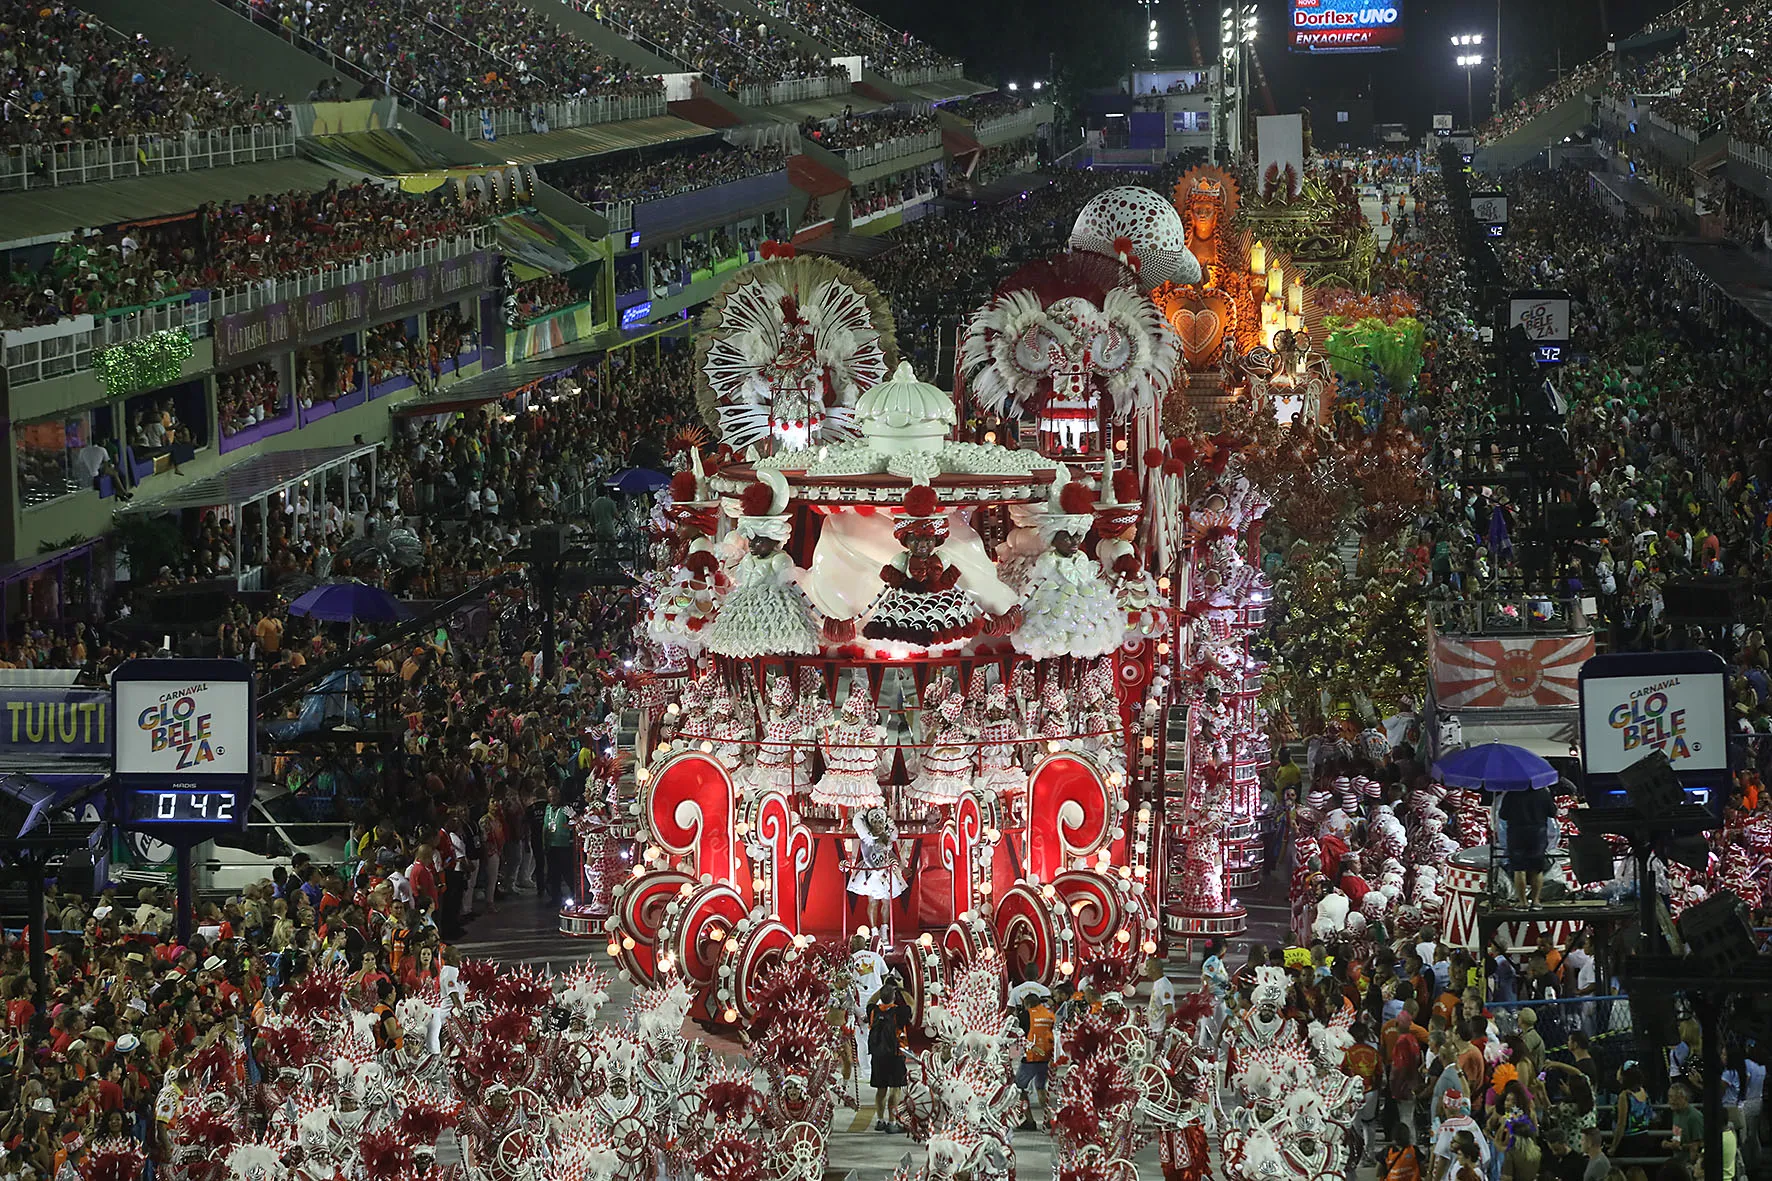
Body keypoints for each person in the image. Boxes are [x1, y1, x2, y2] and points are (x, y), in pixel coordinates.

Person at [1498, 783, 1556, 908]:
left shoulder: (1511, 794)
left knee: (1519, 869)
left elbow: (1503, 815)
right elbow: (1553, 812)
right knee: (1536, 868)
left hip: (1516, 834)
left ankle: (1522, 902)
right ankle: (1536, 901)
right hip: (1538, 835)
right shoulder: (1543, 793)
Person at [867, 976, 912, 1133]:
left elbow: (870, 1002)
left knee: (881, 1089)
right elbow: (912, 1004)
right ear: (894, 996)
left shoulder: (873, 1011)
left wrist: (883, 989)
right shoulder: (899, 1012)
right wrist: (900, 988)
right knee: (895, 1088)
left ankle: (880, 1120)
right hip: (895, 1055)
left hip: (878, 1057)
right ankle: (892, 1123)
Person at [1016, 985, 1057, 1131]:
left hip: (1031, 1058)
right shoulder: (1050, 1014)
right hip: (1047, 1057)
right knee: (1041, 1088)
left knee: (1018, 1088)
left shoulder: (1025, 1015)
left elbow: (1018, 1034)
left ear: (1027, 1004)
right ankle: (1048, 1120)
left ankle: (1030, 1121)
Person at [542, 785, 576, 905]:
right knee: (553, 874)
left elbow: (575, 822)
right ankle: (556, 898)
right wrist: (544, 843)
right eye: (550, 796)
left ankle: (575, 896)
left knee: (567, 873)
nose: (553, 798)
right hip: (551, 846)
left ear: (560, 796)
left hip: (564, 846)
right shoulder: (547, 808)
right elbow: (545, 826)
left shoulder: (567, 808)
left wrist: (565, 828)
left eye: (555, 796)